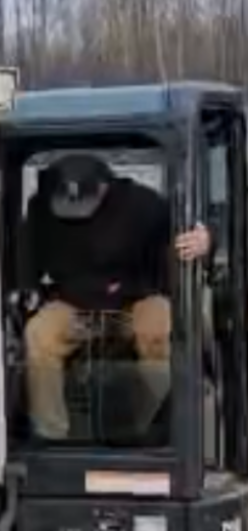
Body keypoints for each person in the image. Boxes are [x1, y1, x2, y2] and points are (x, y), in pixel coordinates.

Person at [22, 152, 210, 440]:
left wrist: (206, 239)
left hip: (135, 300)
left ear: (104, 187)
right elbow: (24, 259)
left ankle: (149, 430)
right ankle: (52, 435)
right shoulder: (41, 209)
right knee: (38, 334)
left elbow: (188, 232)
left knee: (160, 328)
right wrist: (25, 291)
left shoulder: (144, 205)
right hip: (76, 305)